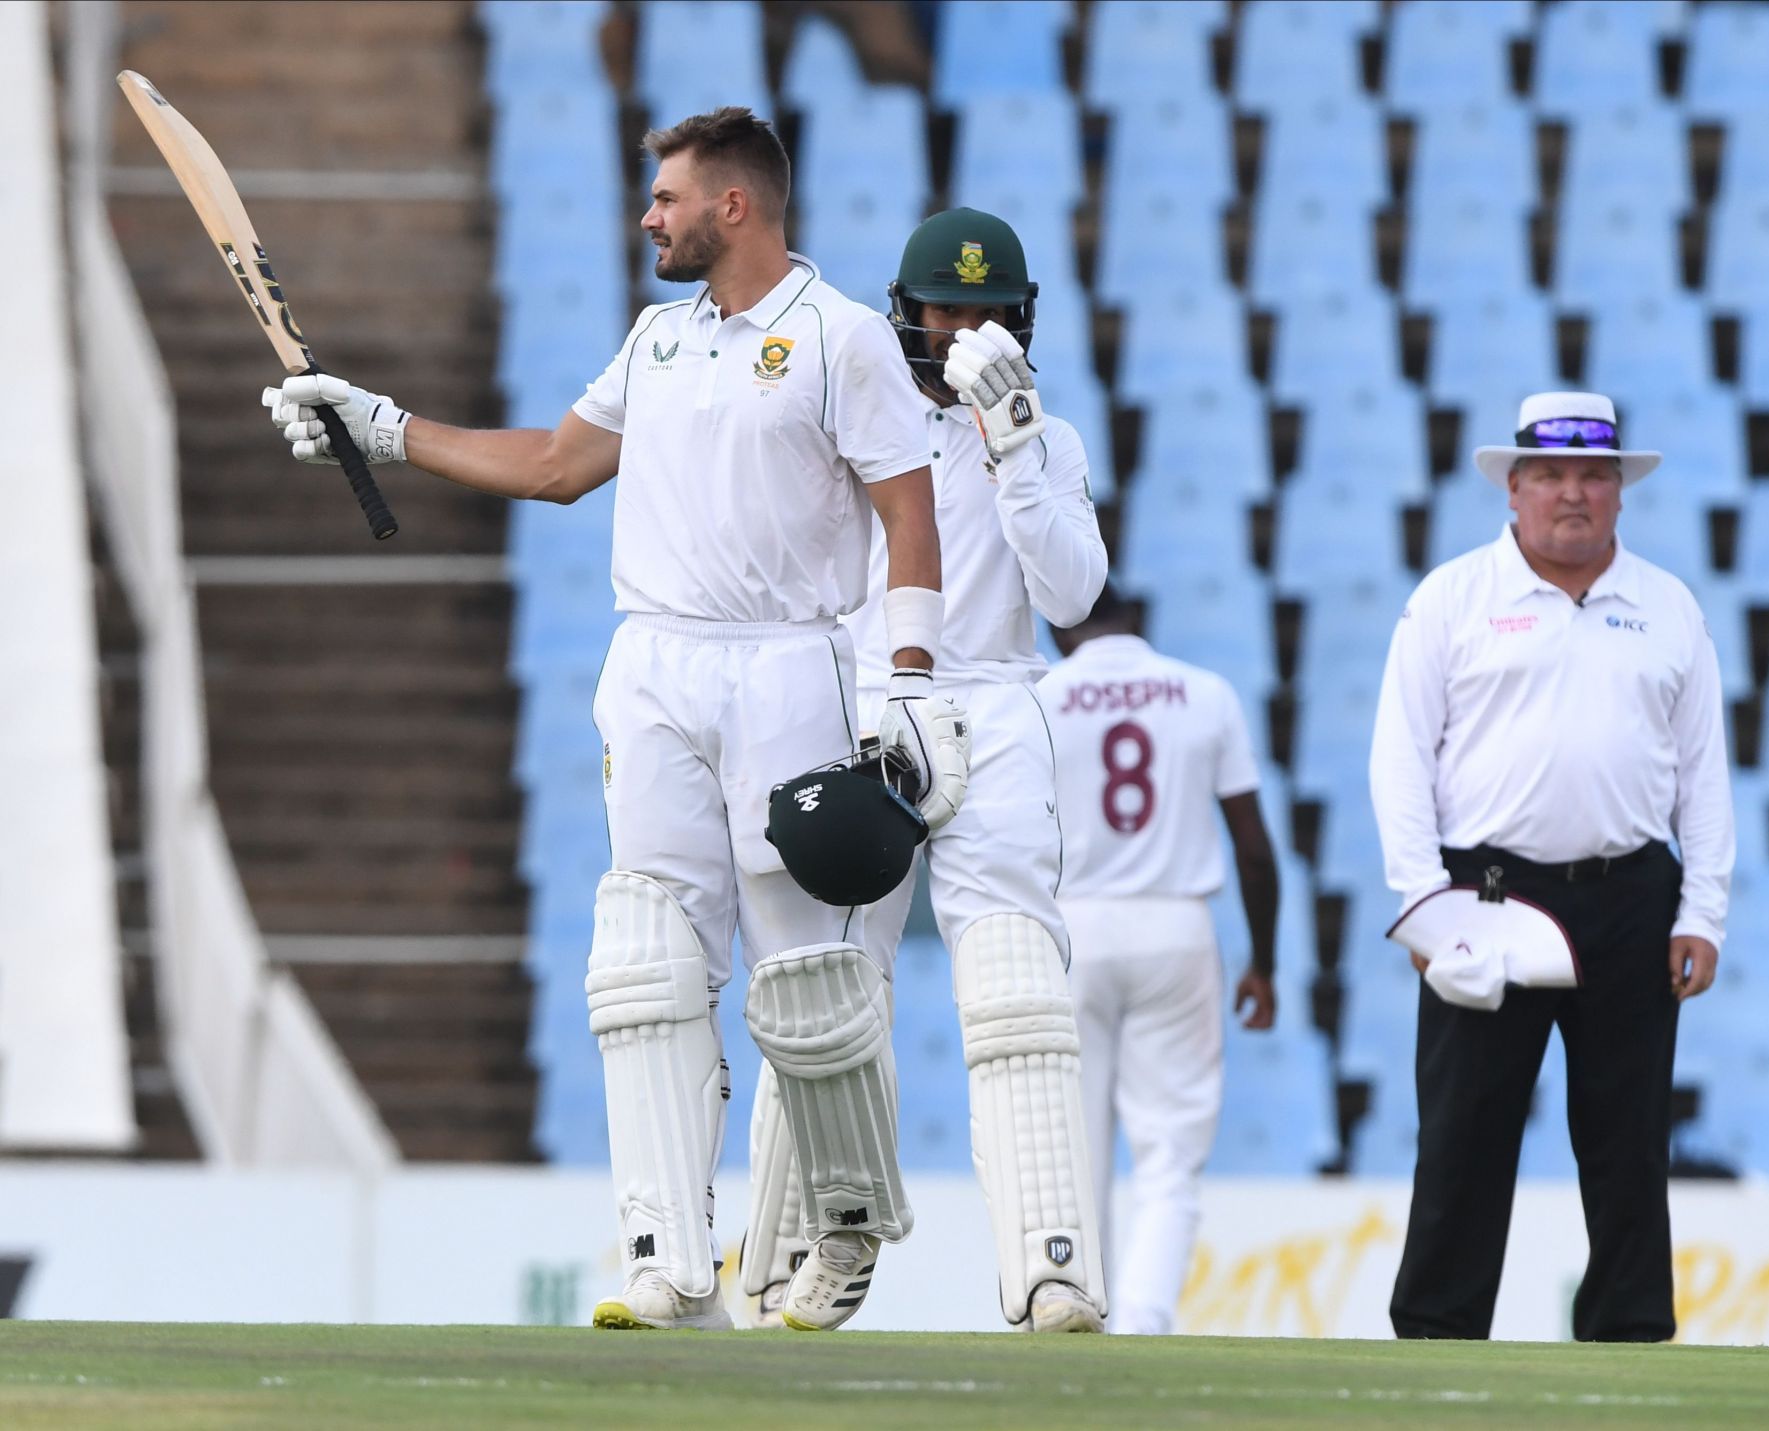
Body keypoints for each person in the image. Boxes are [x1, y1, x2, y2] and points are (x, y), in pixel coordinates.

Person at [261, 108, 969, 1333]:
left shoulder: (838, 339)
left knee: (804, 976)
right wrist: (381, 428)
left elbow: (911, 515)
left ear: (733, 206)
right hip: (653, 665)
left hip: (790, 669)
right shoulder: (657, 340)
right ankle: (666, 1258)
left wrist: (907, 676)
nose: (648, 215)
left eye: (667, 198)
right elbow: (553, 464)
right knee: (646, 962)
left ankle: (846, 1226)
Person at [737, 208, 1112, 1334]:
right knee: (828, 985)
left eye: (988, 313)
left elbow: (1073, 597)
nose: (965, 332)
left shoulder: (1050, 435)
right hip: (866, 705)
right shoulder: (850, 418)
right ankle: (791, 1258)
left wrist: (1017, 447)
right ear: (906, 316)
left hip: (996, 703)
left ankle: (1050, 1269)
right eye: (945, 312)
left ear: (1022, 320)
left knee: (1015, 987)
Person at [1369, 390, 1734, 1342]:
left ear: (1620, 493)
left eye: (1594, 477)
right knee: (1463, 1131)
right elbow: (1400, 755)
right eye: (1553, 476)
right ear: (1514, 489)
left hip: (1631, 895)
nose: (1573, 495)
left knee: (1626, 1139)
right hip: (1486, 894)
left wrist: (1704, 911)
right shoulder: (1452, 598)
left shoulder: (1668, 606)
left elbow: (1705, 773)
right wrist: (1421, 900)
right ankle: (1437, 1334)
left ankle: (1630, 1332)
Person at [1039, 585, 1281, 1336]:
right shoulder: (1204, 693)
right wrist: (1263, 962)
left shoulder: (1039, 698)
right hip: (1177, 923)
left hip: (1073, 923)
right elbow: (1251, 842)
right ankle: (1144, 1317)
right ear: (1139, 618)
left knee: (1073, 1142)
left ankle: (1074, 1297)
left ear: (1059, 628)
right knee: (1169, 1149)